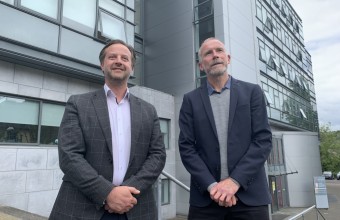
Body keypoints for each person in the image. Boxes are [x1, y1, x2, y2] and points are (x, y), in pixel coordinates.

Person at [50, 39, 166, 220]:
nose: (119, 61)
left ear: (132, 68)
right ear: (102, 65)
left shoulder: (148, 110)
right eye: (112, 57)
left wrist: (127, 192)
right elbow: (69, 156)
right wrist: (107, 193)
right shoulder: (78, 103)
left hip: (135, 206)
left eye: (125, 58)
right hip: (83, 206)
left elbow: (157, 155)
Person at [178, 37, 272, 220]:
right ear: (200, 65)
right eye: (208, 53)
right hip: (206, 200)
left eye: (219, 51)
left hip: (250, 198)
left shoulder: (253, 92)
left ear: (228, 58)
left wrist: (234, 181)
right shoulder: (190, 100)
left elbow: (262, 141)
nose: (215, 55)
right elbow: (187, 147)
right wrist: (213, 186)